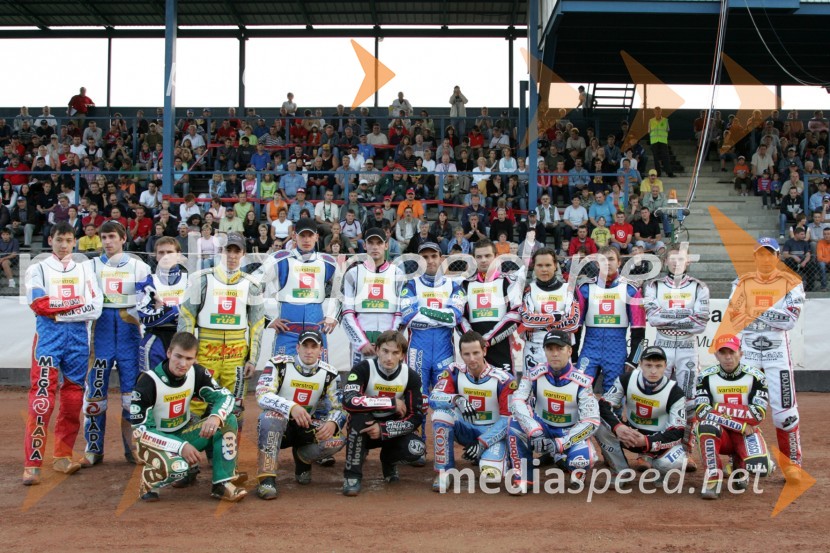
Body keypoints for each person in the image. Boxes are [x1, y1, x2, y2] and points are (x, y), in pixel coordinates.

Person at [22, 222, 103, 485]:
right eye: (59, 240)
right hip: (48, 338)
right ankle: (32, 463)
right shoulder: (37, 268)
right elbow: (38, 303)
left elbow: (96, 307)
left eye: (68, 240)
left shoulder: (85, 268)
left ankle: (62, 456)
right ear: (50, 240)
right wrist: (76, 304)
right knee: (42, 399)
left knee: (72, 400)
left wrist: (60, 311)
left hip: (78, 339)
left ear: (74, 242)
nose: (64, 245)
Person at [129, 332, 246, 502]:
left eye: (189, 359)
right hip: (153, 442)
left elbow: (226, 396)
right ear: (169, 353)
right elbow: (141, 431)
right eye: (178, 356)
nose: (183, 364)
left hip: (183, 432)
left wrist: (215, 417)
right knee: (179, 468)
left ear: (195, 359)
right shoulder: (147, 382)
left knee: (228, 420)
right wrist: (180, 446)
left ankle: (221, 484)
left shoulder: (196, 373)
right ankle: (150, 480)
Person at [726, 237, 804, 478]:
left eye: (770, 254)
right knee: (740, 407)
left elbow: (790, 320)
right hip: (747, 352)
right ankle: (739, 461)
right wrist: (769, 313)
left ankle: (792, 465)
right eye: (761, 254)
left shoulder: (791, 283)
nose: (765, 258)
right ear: (755, 257)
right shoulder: (741, 281)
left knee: (785, 410)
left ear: (778, 257)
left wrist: (756, 310)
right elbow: (736, 316)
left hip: (777, 353)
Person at [178, 232, 265, 428]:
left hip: (237, 354)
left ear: (243, 254)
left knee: (234, 407)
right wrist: (186, 355)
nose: (232, 256)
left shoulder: (252, 284)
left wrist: (253, 358)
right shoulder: (201, 279)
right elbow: (186, 318)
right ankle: (190, 452)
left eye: (237, 251)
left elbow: (257, 325)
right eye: (228, 250)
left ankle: (228, 456)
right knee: (197, 404)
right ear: (220, 251)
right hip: (205, 351)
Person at [83, 221, 151, 467]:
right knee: (95, 394)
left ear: (123, 238)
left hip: (129, 335)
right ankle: (93, 449)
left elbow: (149, 301)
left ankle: (132, 449)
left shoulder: (140, 267)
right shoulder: (89, 266)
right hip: (100, 334)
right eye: (104, 237)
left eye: (112, 236)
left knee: (131, 397)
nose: (107, 241)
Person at [255, 330, 347, 499]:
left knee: (338, 439)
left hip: (306, 425)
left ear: (321, 351)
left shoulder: (330, 373)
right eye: (305, 346)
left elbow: (340, 407)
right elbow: (262, 394)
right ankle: (267, 479)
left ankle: (302, 457)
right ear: (297, 347)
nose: (309, 351)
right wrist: (291, 407)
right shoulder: (278, 364)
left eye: (314, 346)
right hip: (279, 424)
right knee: (268, 419)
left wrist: (333, 423)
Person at [643, 244, 710, 470]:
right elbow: (653, 318)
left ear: (688, 261)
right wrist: (684, 317)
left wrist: (668, 317)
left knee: (689, 401)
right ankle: (650, 451)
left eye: (680, 258)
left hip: (687, 348)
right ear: (665, 262)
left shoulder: (699, 287)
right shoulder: (654, 285)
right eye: (671, 258)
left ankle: (685, 451)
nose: (675, 262)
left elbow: (700, 322)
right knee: (654, 396)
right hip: (661, 346)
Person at [507, 330, 600, 492]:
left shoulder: (583, 381)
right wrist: (533, 429)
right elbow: (517, 401)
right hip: (541, 428)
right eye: (550, 349)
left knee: (581, 460)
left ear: (569, 351)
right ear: (545, 351)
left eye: (560, 349)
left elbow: (591, 421)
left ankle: (572, 467)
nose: (555, 354)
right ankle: (522, 477)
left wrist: (562, 443)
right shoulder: (534, 373)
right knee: (514, 424)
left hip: (568, 432)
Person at [341, 330, 426, 496]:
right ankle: (352, 475)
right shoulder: (363, 369)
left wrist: (384, 429)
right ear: (377, 349)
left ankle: (389, 461)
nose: (389, 358)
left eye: (395, 353)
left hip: (391, 429)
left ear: (402, 355)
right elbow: (349, 401)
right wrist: (390, 402)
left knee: (417, 449)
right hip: (366, 426)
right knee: (358, 420)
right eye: (385, 351)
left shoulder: (411, 376)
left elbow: (415, 417)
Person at [429, 331, 516, 491]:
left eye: (476, 353)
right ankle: (444, 471)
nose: (472, 358)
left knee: (492, 476)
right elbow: (434, 398)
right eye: (466, 354)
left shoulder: (504, 379)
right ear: (460, 354)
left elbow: (508, 419)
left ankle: (502, 458)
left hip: (492, 434)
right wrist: (457, 399)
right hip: (465, 429)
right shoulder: (454, 371)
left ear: (484, 351)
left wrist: (482, 443)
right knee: (440, 415)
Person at [400, 241, 466, 446]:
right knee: (416, 399)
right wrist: (441, 316)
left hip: (444, 350)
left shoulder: (455, 285)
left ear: (441, 258)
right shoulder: (410, 285)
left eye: (433, 256)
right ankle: (417, 444)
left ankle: (442, 445)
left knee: (443, 398)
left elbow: (455, 316)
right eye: (424, 257)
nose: (429, 261)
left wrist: (424, 312)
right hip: (417, 350)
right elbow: (409, 316)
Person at [693, 334, 773, 499]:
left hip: (746, 434)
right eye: (723, 352)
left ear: (741, 353)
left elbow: (757, 415)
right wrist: (741, 424)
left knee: (761, 469)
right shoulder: (705, 376)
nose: (728, 357)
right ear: (716, 355)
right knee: (705, 426)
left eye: (732, 351)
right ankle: (713, 478)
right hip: (731, 431)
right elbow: (701, 412)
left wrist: (716, 408)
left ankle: (739, 467)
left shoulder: (757, 376)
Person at [595, 346, 687, 486]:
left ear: (665, 366)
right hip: (630, 435)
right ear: (640, 364)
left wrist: (647, 441)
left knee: (671, 462)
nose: (653, 371)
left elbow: (677, 431)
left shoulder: (675, 392)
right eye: (648, 365)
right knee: (599, 426)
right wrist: (618, 427)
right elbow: (603, 405)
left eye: (658, 366)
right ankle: (621, 471)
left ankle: (660, 472)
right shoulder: (626, 379)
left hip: (658, 441)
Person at [260, 218, 339, 358]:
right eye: (302, 235)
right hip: (287, 333)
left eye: (310, 235)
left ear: (316, 237)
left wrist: (333, 316)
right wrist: (268, 319)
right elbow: (253, 285)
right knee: (281, 376)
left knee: (318, 377)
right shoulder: (279, 259)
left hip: (316, 334)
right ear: (294, 236)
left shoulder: (329, 262)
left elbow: (344, 291)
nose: (306, 239)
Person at [578, 246, 646, 392]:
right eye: (602, 260)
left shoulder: (631, 290)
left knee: (614, 397)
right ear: (596, 264)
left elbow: (639, 330)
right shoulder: (585, 288)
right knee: (580, 392)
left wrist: (634, 360)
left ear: (619, 262)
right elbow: (576, 327)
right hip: (590, 349)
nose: (607, 263)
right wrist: (572, 355)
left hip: (616, 350)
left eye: (611, 259)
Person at [342, 228, 404, 366]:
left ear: (386, 245)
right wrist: (361, 343)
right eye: (371, 243)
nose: (375, 247)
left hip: (390, 346)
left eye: (379, 243)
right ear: (364, 245)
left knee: (390, 385)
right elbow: (347, 313)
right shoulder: (353, 273)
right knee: (360, 385)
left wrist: (391, 341)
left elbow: (401, 312)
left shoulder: (398, 274)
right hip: (362, 343)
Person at [459, 239, 523, 373]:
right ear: (474, 259)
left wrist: (487, 340)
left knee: (504, 388)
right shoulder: (465, 284)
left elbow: (516, 314)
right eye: (479, 256)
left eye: (487, 256)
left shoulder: (508, 281)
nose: (483, 260)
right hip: (474, 349)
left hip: (501, 346)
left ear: (496, 257)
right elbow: (459, 316)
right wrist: (474, 340)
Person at [519, 248, 581, 370]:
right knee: (530, 387)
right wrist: (557, 316)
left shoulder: (568, 289)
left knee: (560, 387)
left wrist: (539, 320)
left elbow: (573, 324)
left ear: (555, 266)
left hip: (560, 348)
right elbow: (527, 321)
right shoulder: (528, 290)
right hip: (534, 348)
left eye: (548, 265)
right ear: (534, 267)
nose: (544, 269)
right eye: (540, 265)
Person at [136, 237, 188, 373]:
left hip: (184, 338)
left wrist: (162, 308)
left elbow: (197, 312)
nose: (165, 256)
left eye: (170, 252)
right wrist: (178, 309)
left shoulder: (191, 280)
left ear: (179, 255)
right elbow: (145, 318)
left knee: (184, 386)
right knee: (151, 383)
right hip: (154, 338)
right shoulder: (146, 282)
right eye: (161, 252)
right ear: (156, 256)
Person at [648, 106, 674, 178]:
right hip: (654, 141)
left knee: (666, 157)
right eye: (656, 111)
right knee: (656, 158)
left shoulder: (666, 120)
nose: (657, 113)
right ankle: (658, 173)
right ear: (654, 112)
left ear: (661, 112)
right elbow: (649, 131)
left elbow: (667, 129)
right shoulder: (651, 121)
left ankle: (669, 173)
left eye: (659, 111)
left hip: (663, 141)